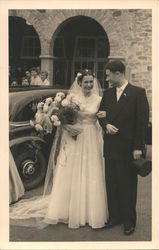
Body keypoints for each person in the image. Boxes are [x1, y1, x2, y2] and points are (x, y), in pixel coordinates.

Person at [10, 69, 107, 229]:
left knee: (91, 171)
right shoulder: (72, 99)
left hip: (91, 138)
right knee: (72, 170)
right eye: (86, 82)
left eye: (91, 82)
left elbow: (102, 119)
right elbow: (63, 118)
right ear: (80, 83)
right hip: (75, 137)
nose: (89, 85)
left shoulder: (99, 99)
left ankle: (90, 211)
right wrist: (68, 127)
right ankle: (69, 209)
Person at [99, 60, 149, 235]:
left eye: (108, 75)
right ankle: (114, 217)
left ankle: (129, 221)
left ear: (117, 73)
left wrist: (138, 147)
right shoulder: (108, 93)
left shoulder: (137, 93)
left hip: (129, 149)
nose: (106, 79)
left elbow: (142, 123)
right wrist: (105, 125)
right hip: (111, 147)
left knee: (127, 185)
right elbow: (100, 114)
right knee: (111, 183)